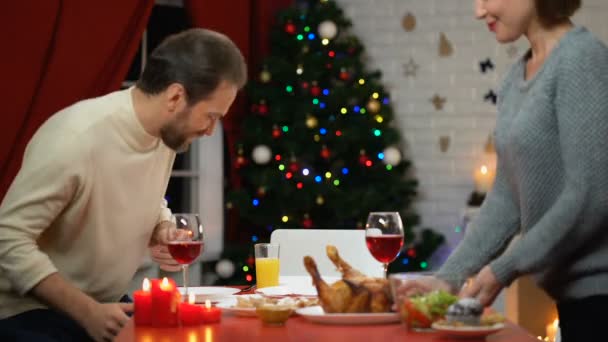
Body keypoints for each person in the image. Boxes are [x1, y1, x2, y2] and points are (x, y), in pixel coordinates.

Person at [0, 28, 247, 341]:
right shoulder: (75, 138)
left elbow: (138, 192)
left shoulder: (163, 135)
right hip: (31, 314)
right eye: (210, 116)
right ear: (175, 97)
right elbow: (8, 237)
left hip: (103, 305)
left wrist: (161, 227)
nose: (211, 131)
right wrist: (87, 311)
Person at [396, 1, 608, 341]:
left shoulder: (582, 58)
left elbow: (591, 195)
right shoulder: (515, 79)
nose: (478, 12)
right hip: (574, 300)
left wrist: (501, 270)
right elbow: (506, 199)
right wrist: (447, 277)